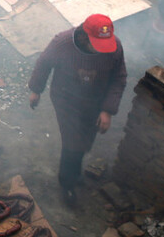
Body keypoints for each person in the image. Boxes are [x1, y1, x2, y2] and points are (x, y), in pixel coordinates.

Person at [29, 14, 127, 205]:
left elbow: (119, 78)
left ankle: (74, 170)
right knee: (73, 142)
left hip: (95, 102)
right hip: (66, 99)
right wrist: (36, 90)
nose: (102, 50)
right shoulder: (62, 43)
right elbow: (44, 63)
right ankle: (67, 183)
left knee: (86, 139)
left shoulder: (114, 47)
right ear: (83, 36)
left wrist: (107, 110)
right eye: (96, 44)